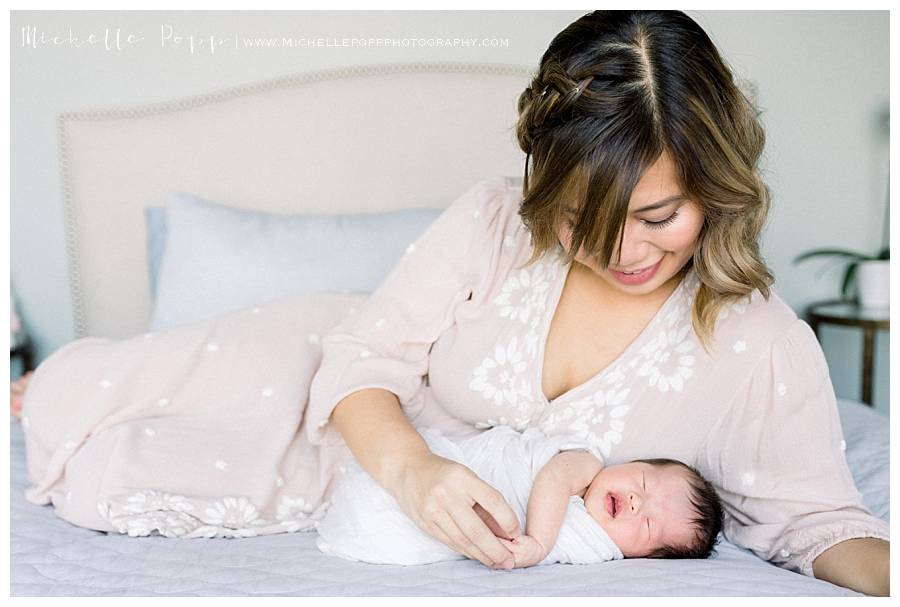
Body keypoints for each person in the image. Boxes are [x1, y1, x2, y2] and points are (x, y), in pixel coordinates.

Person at [306, 10, 889, 595]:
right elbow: (362, 356)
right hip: (290, 413)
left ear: (719, 188)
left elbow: (818, 524)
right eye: (579, 218)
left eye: (657, 217)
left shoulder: (763, 345)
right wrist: (413, 471)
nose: (621, 252)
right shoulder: (492, 224)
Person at [314, 425, 723, 568]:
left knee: (424, 536)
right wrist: (539, 543)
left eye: (648, 524)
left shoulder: (597, 550)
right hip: (470, 469)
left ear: (645, 559)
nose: (636, 502)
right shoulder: (584, 465)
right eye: (644, 483)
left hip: (485, 527)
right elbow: (551, 480)